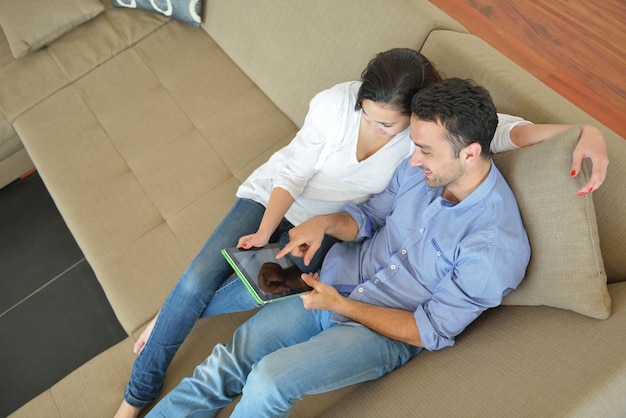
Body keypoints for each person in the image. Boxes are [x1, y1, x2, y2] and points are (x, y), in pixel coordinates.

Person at [115, 48, 608, 417]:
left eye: (424, 150)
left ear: (473, 153)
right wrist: (325, 222)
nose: (411, 160)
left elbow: (429, 330)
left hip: (378, 329)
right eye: (412, 144)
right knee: (234, 354)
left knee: (267, 381)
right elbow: (370, 216)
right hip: (333, 282)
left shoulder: (494, 248)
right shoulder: (422, 167)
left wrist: (341, 306)